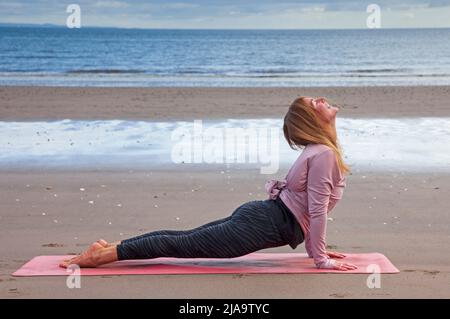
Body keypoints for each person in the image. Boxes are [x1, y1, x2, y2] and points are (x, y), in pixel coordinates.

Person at [60, 96, 357, 271]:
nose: (320, 99)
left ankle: (109, 247)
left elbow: (309, 210)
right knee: (181, 243)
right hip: (264, 223)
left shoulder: (321, 151)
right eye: (312, 102)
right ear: (311, 121)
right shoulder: (323, 155)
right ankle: (101, 255)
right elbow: (316, 211)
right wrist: (320, 259)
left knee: (182, 238)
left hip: (264, 217)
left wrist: (316, 249)